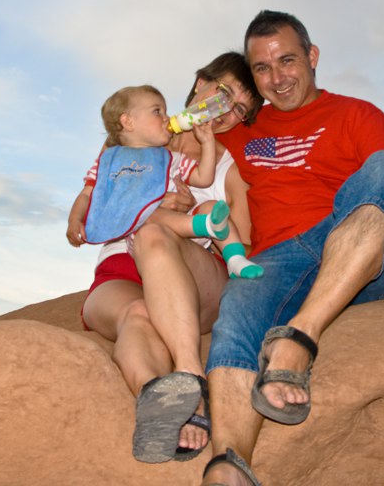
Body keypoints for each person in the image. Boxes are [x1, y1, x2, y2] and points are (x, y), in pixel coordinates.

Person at [200, 11, 384, 486]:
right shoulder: (241, 128)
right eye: (262, 68)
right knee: (240, 303)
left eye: (287, 60)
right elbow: (170, 134)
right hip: (277, 262)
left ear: (312, 57)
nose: (277, 78)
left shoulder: (355, 114)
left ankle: (298, 341)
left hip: (352, 254)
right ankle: (227, 466)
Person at [65, 52, 264, 465]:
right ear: (200, 84)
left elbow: (240, 237)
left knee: (155, 233)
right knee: (135, 314)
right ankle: (159, 401)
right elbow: (95, 198)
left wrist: (186, 213)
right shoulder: (133, 139)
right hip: (122, 266)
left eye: (239, 109)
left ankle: (191, 378)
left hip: (195, 274)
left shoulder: (225, 168)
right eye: (224, 94)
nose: (225, 112)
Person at [74, 83, 262, 280]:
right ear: (128, 122)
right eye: (157, 111)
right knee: (151, 214)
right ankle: (206, 226)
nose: (166, 117)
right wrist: (75, 219)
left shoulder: (168, 157)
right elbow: (88, 192)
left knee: (211, 206)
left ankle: (235, 259)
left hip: (190, 237)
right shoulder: (110, 159)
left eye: (164, 110)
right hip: (146, 232)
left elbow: (203, 178)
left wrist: (207, 143)